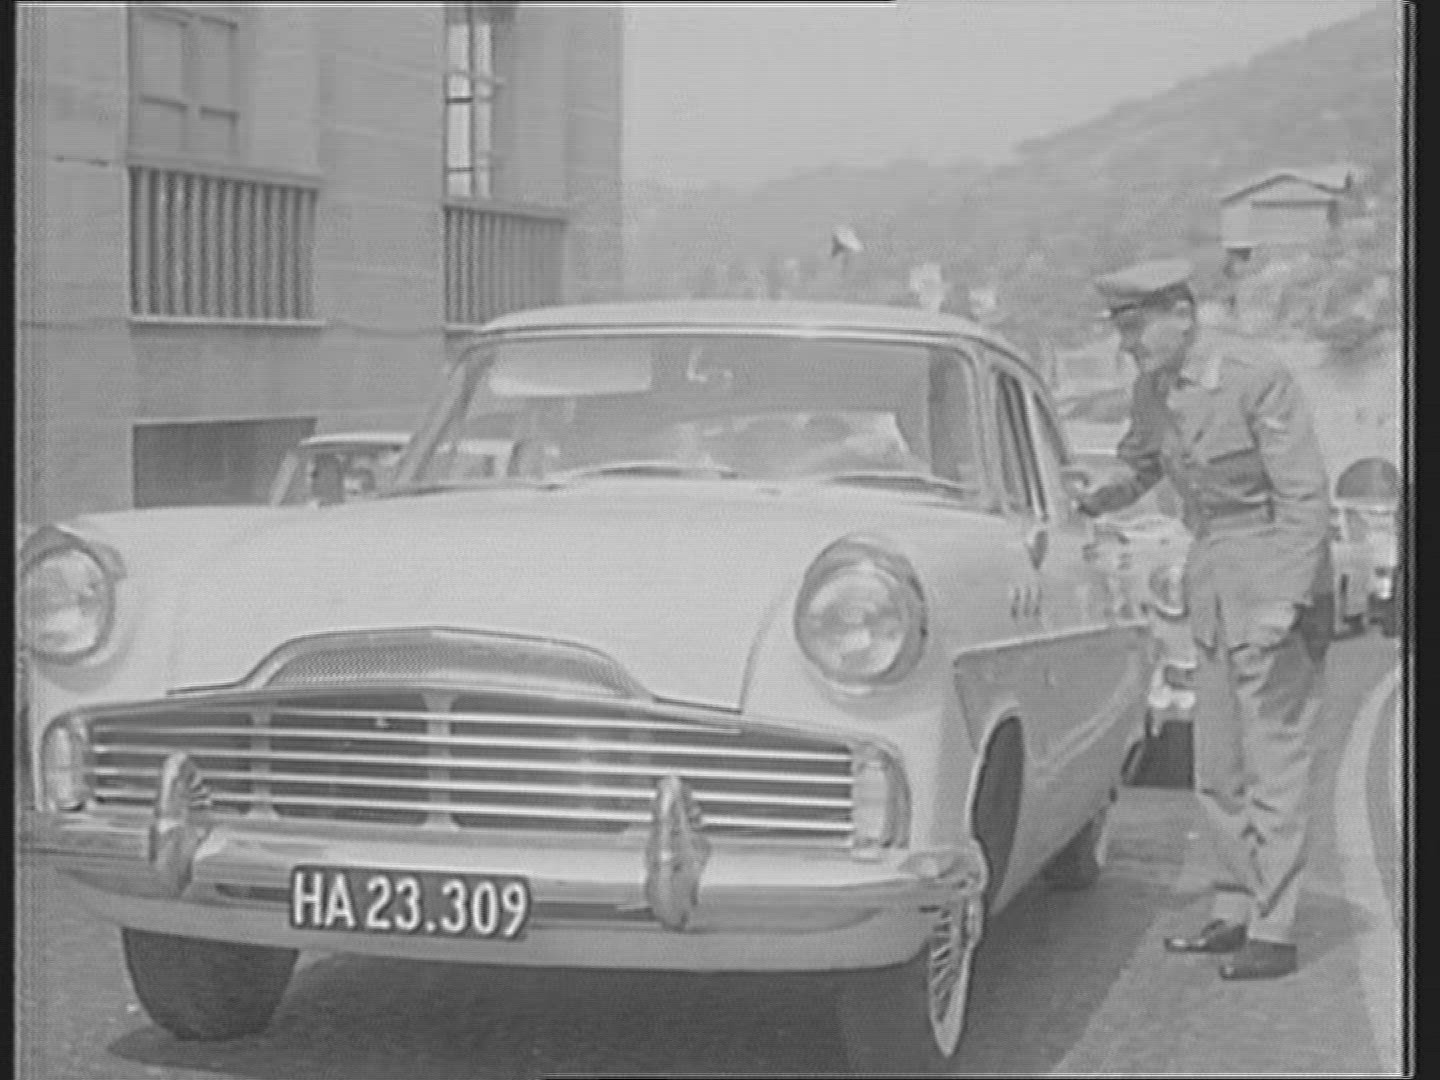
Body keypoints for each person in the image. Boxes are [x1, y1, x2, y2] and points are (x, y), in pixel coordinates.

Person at [1074, 257, 1333, 980]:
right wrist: (1095, 495)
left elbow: (1304, 497)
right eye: (1122, 330)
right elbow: (1140, 466)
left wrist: (1284, 599)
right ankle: (1234, 907)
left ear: (1182, 316)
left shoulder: (1255, 377)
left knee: (1273, 764)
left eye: (1137, 327)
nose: (1128, 343)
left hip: (1274, 573)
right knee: (1217, 765)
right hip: (1214, 575)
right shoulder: (1153, 391)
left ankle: (1275, 929)